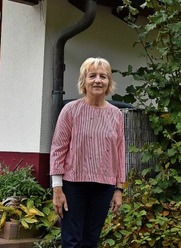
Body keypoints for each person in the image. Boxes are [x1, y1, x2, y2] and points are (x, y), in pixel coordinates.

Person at [50, 57, 126, 247]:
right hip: (74, 185)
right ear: (84, 81)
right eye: (92, 76)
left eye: (103, 76)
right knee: (72, 240)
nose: (98, 80)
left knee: (91, 240)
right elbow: (58, 148)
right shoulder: (70, 110)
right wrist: (57, 188)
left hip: (104, 186)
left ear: (109, 82)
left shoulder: (116, 115)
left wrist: (119, 188)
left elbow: (119, 152)